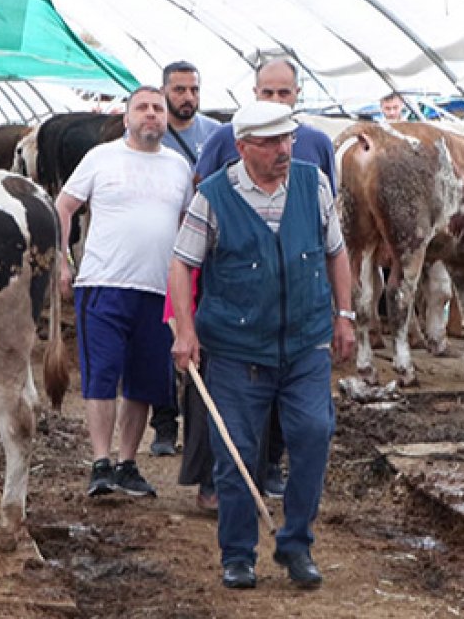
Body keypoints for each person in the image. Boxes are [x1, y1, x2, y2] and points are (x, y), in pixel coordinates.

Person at [169, 100, 356, 590]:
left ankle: (296, 543)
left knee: (314, 434)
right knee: (235, 456)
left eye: (288, 138)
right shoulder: (212, 196)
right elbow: (181, 266)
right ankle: (238, 554)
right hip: (235, 350)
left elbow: (337, 253)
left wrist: (346, 316)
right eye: (271, 141)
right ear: (243, 146)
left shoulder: (313, 184)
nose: (284, 149)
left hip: (305, 344)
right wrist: (185, 330)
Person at [194, 58, 337, 501]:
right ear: (254, 94)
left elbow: (330, 226)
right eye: (267, 93)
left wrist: (338, 306)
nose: (276, 100)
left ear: (298, 95)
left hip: (297, 300)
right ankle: (215, 478)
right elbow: (202, 205)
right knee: (226, 394)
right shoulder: (224, 137)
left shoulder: (317, 144)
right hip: (234, 296)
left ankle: (271, 465)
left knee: (292, 396)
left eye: (284, 93)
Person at [55, 86, 192, 499]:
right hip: (103, 284)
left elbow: (188, 223)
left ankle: (128, 463)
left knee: (144, 382)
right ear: (127, 116)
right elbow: (63, 207)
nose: (151, 115)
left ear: (166, 118)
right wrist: (63, 260)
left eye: (158, 109)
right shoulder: (102, 158)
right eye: (142, 108)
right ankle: (100, 462)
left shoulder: (179, 167)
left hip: (158, 289)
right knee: (102, 375)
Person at [151, 60, 223, 460]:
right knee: (166, 336)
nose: (188, 98)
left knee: (198, 337)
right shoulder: (151, 136)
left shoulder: (213, 134)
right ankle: (164, 423)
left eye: (193, 90)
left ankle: (200, 425)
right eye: (179, 90)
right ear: (164, 92)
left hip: (204, 254)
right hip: (163, 252)